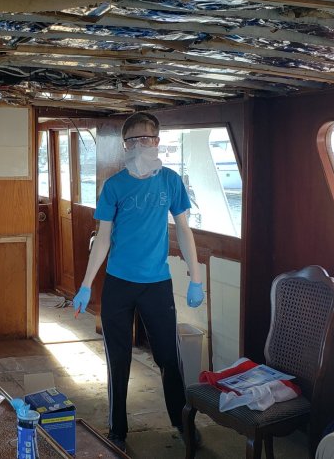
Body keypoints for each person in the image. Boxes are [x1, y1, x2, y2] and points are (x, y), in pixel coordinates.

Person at [72, 112, 205, 451]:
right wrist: (87, 284)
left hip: (157, 284)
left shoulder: (171, 182)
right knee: (118, 359)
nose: (139, 145)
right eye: (132, 140)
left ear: (157, 142)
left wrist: (196, 277)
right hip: (118, 284)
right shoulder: (114, 186)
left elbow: (185, 231)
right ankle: (118, 429)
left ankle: (180, 422)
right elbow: (102, 238)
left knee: (168, 360)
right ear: (124, 145)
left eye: (146, 138)